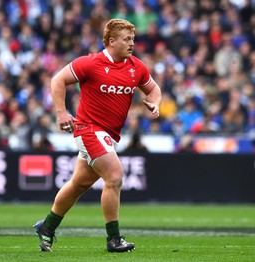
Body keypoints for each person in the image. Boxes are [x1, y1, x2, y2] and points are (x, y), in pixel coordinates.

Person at [33, 18, 162, 253]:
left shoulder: (136, 67)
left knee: (78, 184)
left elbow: (153, 88)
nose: (132, 43)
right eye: (126, 39)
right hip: (89, 129)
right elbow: (58, 80)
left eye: (133, 39)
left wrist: (155, 103)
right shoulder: (90, 63)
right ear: (111, 41)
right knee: (114, 177)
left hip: (109, 135)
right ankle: (114, 239)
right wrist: (61, 113)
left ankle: (47, 227)